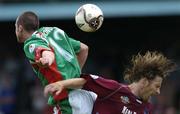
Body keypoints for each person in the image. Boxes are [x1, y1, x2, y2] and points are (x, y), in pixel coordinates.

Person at [15, 11, 96, 114]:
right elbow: (84, 49)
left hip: (68, 101)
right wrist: (73, 79)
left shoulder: (30, 43)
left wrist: (46, 60)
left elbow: (47, 52)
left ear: (20, 28)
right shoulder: (53, 31)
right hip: (85, 94)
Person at [44, 51, 176, 114]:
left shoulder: (147, 109)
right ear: (146, 81)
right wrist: (61, 84)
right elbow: (85, 81)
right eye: (157, 86)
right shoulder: (115, 89)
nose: (158, 91)